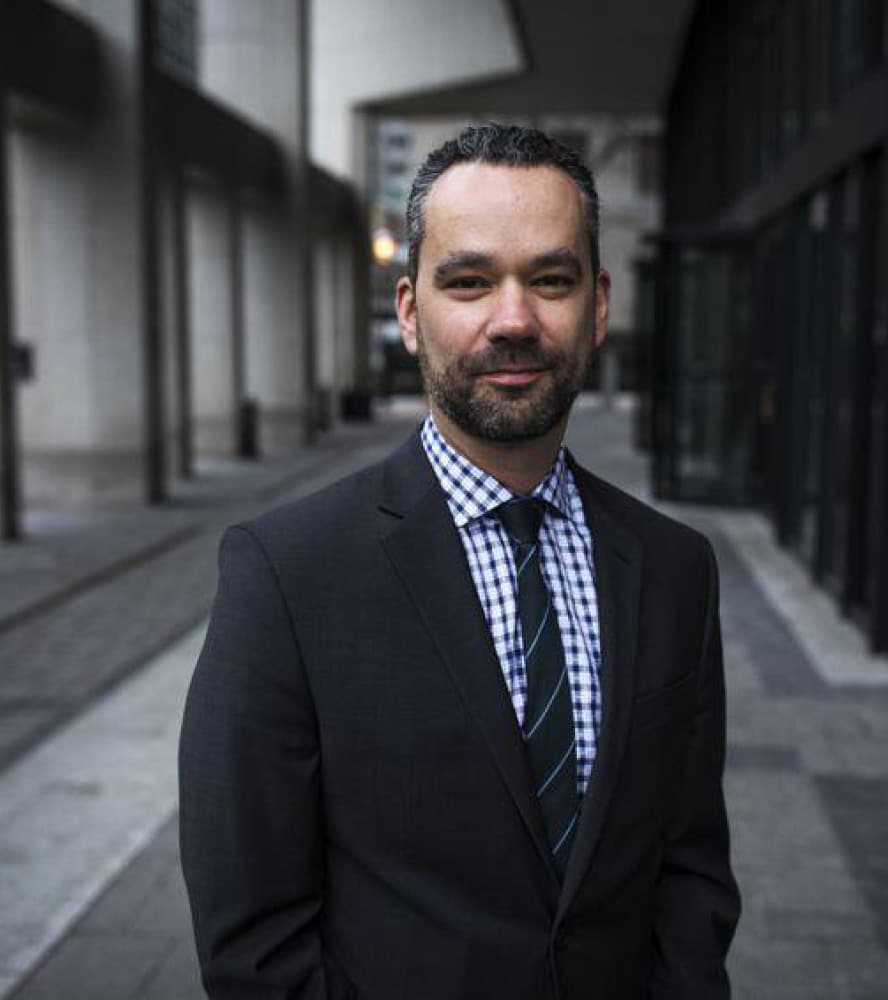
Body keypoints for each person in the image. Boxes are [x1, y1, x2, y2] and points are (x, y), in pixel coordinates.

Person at [179, 123, 740, 1000]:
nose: (512, 320)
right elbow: (252, 934)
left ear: (597, 306)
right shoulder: (286, 575)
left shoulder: (675, 569)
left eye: (549, 280)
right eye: (469, 281)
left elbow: (690, 866)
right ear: (410, 311)